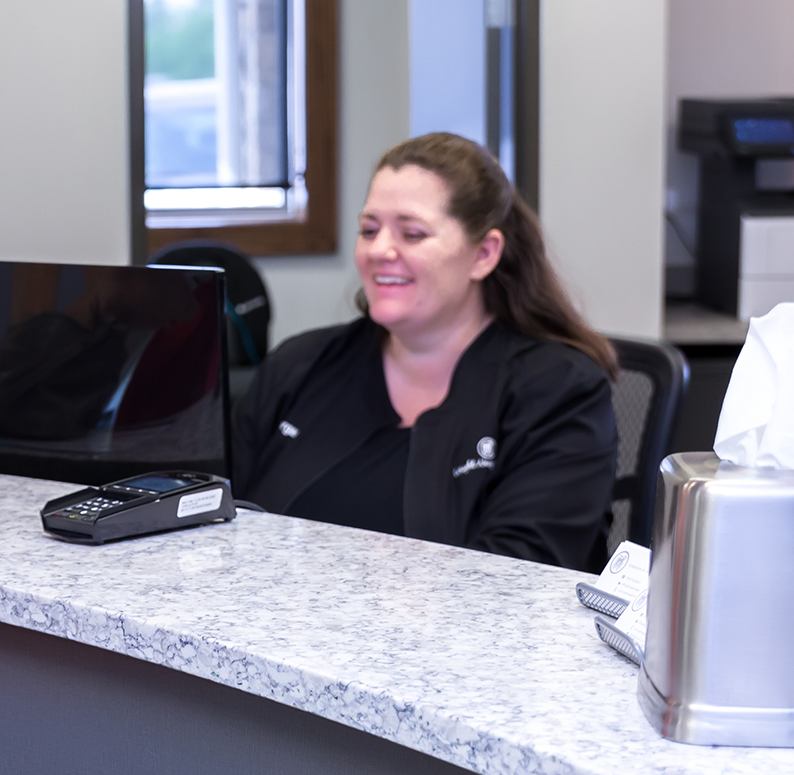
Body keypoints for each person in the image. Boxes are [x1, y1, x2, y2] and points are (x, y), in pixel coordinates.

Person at [231, 133, 620, 570]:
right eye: (369, 230)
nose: (380, 250)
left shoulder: (559, 391)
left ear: (484, 254)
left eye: (412, 234)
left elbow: (520, 578)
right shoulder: (299, 365)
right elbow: (218, 523)